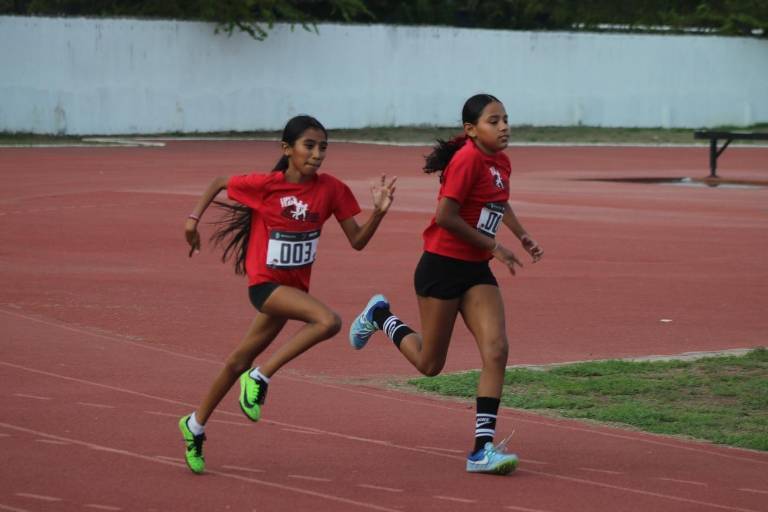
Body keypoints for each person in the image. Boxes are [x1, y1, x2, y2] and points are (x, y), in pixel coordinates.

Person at [178, 115, 396, 474]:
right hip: (264, 285)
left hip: (292, 290)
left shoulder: (331, 190)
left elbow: (358, 241)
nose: (317, 154)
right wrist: (191, 220)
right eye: (309, 146)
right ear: (287, 149)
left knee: (236, 361)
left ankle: (195, 424)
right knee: (328, 321)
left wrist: (378, 214)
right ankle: (261, 377)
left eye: (323, 147)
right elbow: (219, 182)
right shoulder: (266, 185)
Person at [349, 94, 543, 475]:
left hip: (475, 271)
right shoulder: (467, 159)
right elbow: (446, 216)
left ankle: (481, 449)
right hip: (441, 266)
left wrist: (521, 236)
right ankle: (380, 316)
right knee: (429, 364)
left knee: (497, 349)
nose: (504, 126)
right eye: (494, 120)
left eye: (506, 119)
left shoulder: (501, 161)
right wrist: (496, 247)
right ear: (471, 130)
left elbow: (498, 203)